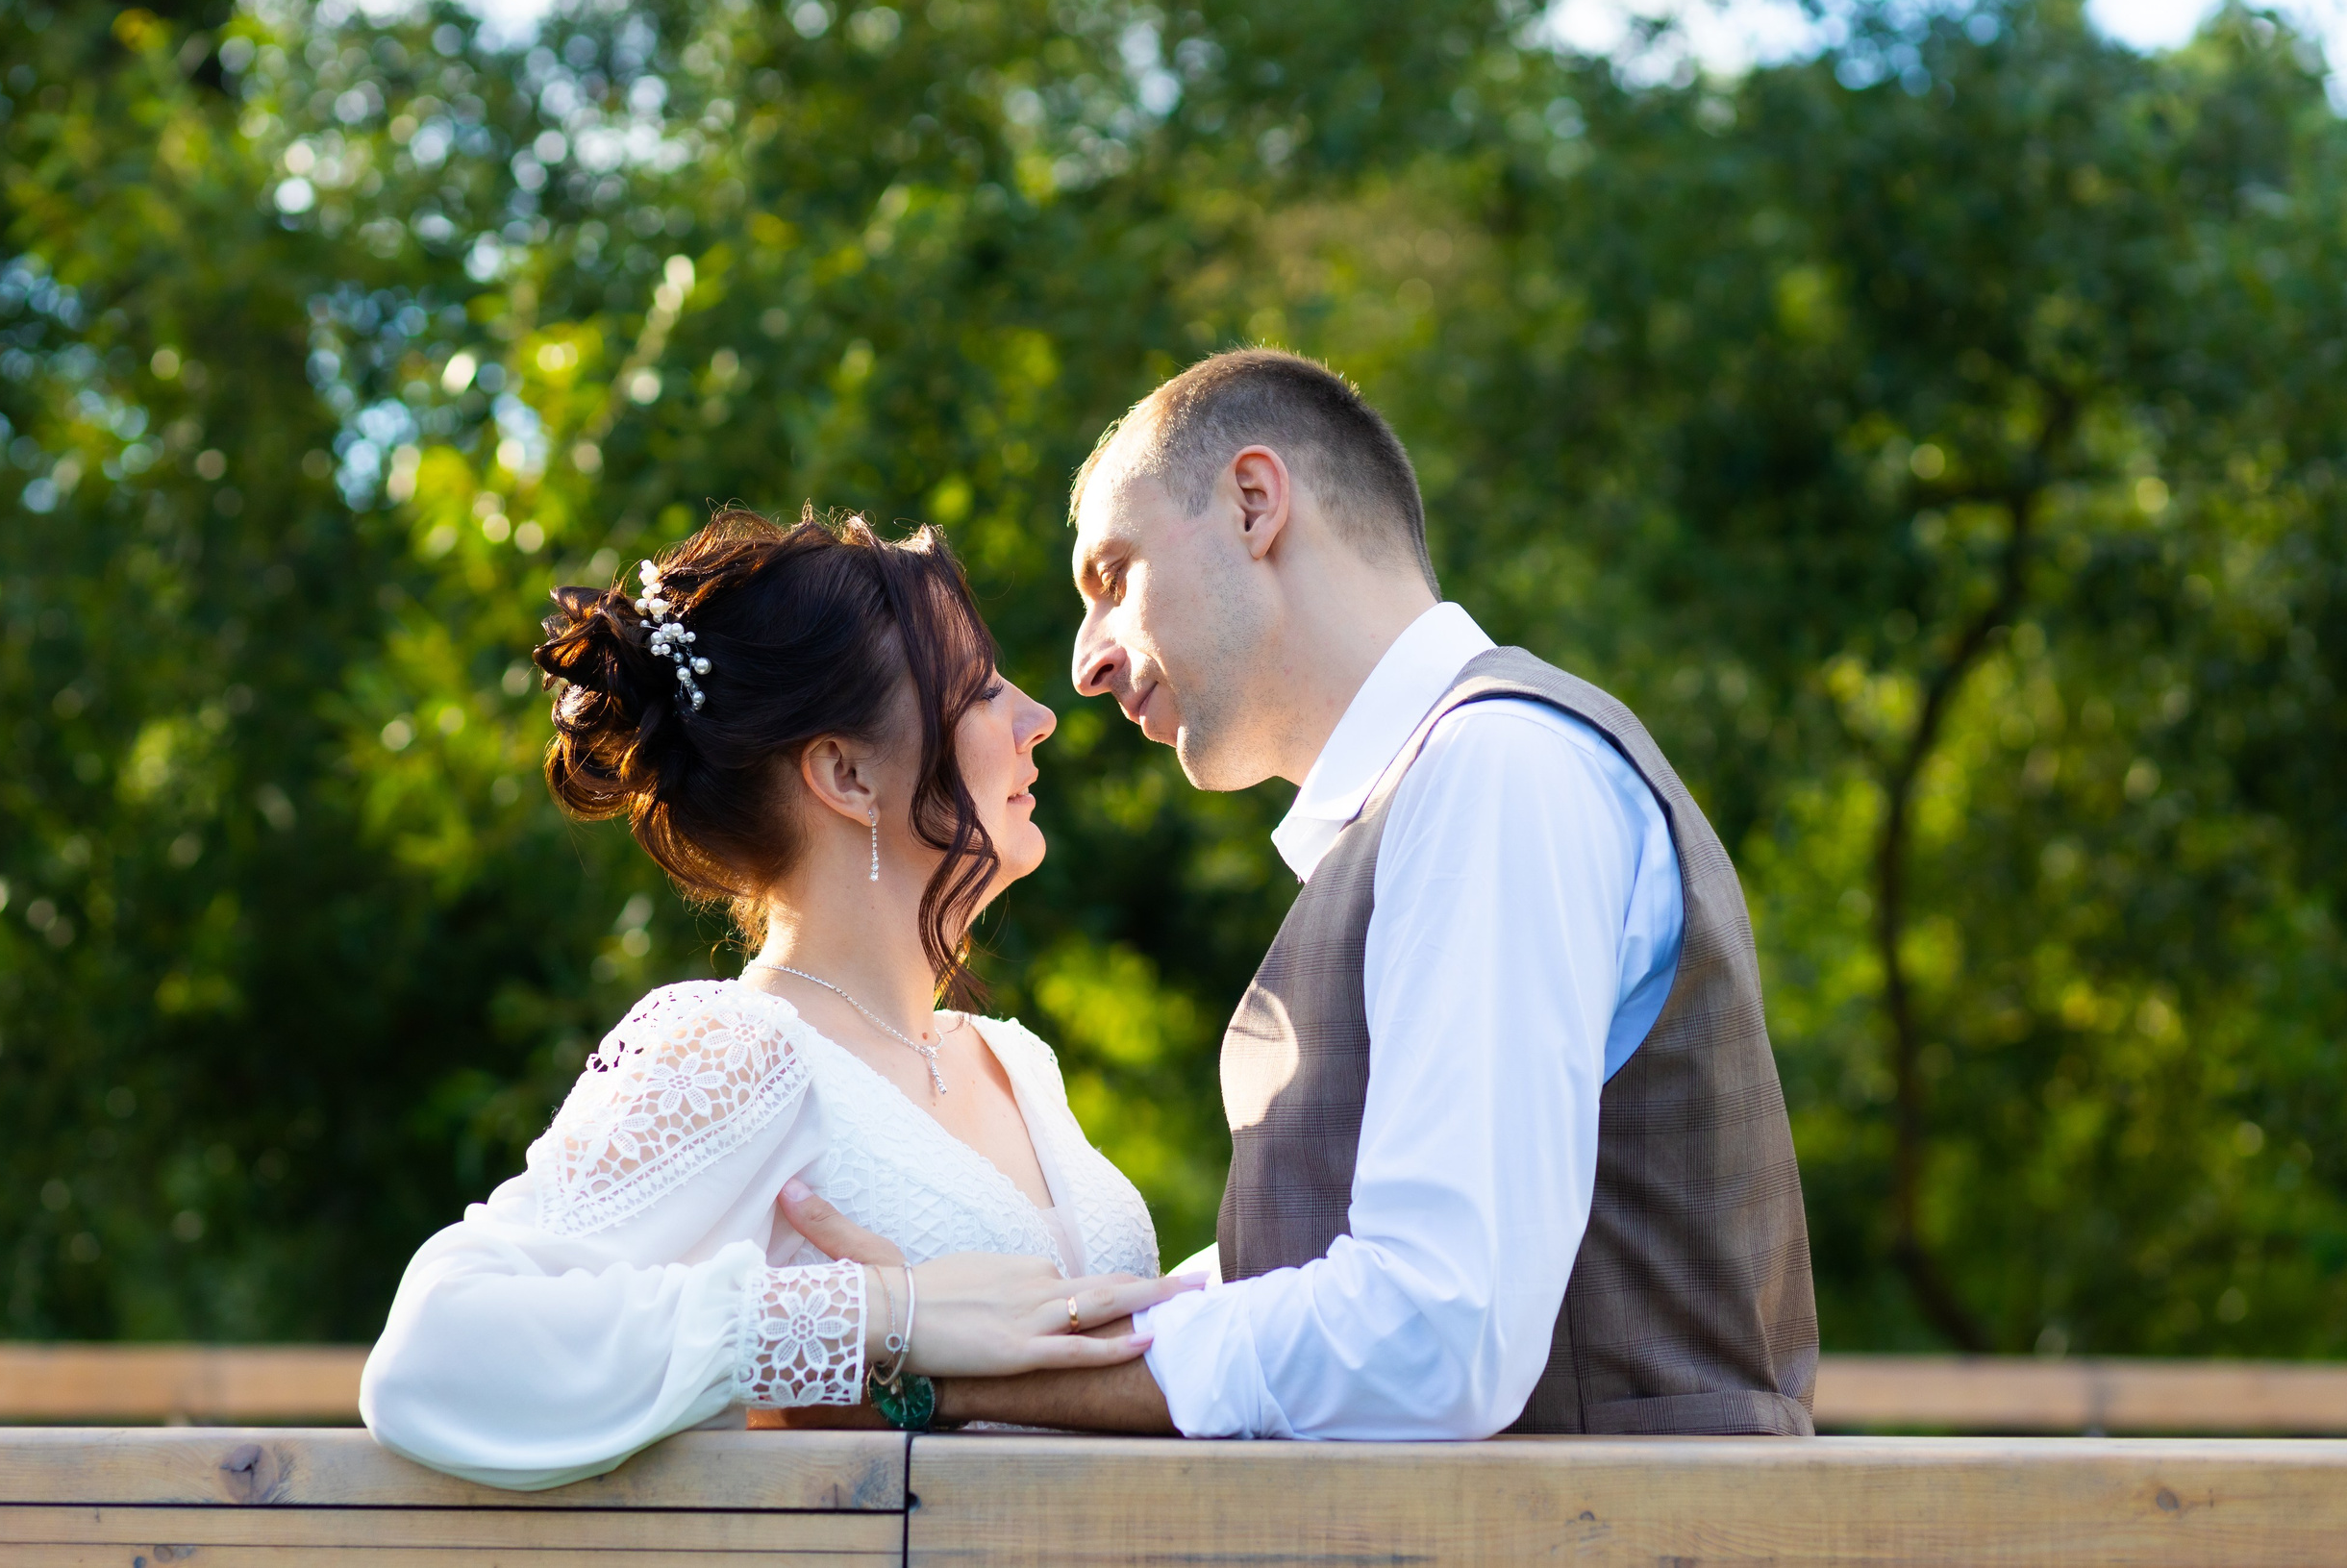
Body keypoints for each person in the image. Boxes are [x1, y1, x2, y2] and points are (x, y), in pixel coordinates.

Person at [786, 349, 1819, 1438]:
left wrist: (959, 1377)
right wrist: (940, 1321)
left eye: (1113, 576)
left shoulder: (1494, 774)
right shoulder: (1434, 797)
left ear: (1252, 503)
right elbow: (1315, 1287)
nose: (1084, 663)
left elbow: (1434, 1329)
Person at [360, 510, 1194, 1489]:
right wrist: (884, 1314)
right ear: (846, 773)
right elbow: (440, 1346)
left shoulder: (1014, 1060)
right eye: (976, 690)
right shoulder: (729, 1047)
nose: (1036, 715)